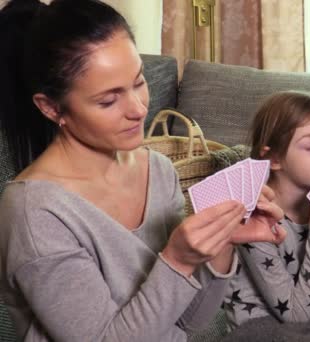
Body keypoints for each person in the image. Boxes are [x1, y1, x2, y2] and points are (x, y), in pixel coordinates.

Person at [0, 0, 284, 341]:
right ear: (50, 107)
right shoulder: (36, 213)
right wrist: (177, 260)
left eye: (138, 82)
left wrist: (221, 242)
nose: (138, 109)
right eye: (108, 100)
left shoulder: (159, 170)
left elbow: (188, 322)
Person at [222, 91, 310, 329]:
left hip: (306, 326)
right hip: (259, 332)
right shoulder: (256, 220)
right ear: (273, 159)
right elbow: (295, 317)